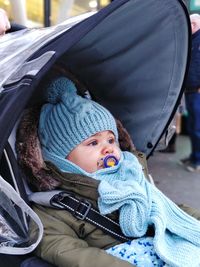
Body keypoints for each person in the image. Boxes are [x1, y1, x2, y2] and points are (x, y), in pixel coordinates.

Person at [16, 77, 200, 267]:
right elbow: (64, 249)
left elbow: (170, 210)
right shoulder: (55, 207)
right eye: (93, 143)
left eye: (111, 140)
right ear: (60, 157)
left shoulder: (131, 176)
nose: (108, 149)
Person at [180, 14, 200, 172]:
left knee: (197, 127)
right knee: (193, 126)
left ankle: (197, 160)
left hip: (197, 92)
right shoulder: (192, 40)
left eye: (191, 24)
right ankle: (194, 155)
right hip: (191, 91)